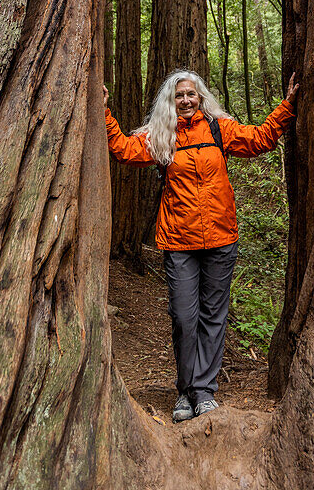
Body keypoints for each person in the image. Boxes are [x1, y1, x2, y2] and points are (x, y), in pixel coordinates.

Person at [103, 68, 299, 423]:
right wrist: (102, 112)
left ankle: (203, 392)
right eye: (180, 95)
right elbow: (122, 149)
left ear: (201, 97)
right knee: (183, 317)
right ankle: (184, 389)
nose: (186, 100)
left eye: (191, 94)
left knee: (213, 316)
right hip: (179, 242)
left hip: (221, 239)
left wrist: (287, 106)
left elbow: (260, 140)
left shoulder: (218, 129)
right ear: (171, 101)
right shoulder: (162, 136)